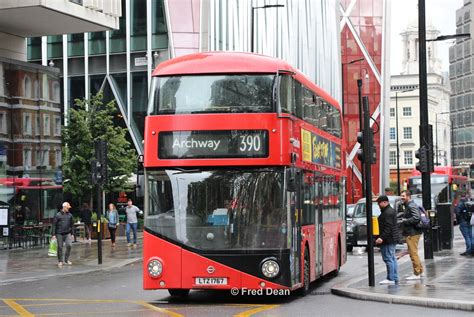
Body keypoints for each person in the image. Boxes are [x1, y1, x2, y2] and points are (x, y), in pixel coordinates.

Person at [375, 195, 402, 285]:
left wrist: (381, 238)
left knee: (388, 258)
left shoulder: (388, 212)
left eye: (379, 203)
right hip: (391, 238)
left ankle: (391, 278)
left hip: (388, 239)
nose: (378, 205)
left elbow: (388, 227)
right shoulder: (388, 211)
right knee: (392, 258)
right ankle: (393, 277)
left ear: (385, 202)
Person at [398, 190, 424, 280]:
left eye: (403, 196)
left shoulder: (411, 205)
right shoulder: (408, 205)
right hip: (412, 232)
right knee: (413, 253)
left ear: (408, 196)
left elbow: (416, 218)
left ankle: (416, 273)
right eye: (401, 195)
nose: (401, 197)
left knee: (413, 254)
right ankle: (420, 271)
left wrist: (405, 221)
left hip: (412, 233)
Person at [53, 202, 74, 267]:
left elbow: (72, 225)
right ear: (64, 207)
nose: (68, 209)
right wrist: (53, 234)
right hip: (59, 233)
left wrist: (72, 233)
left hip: (67, 233)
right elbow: (54, 225)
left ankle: (66, 259)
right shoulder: (58, 215)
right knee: (60, 247)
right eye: (68, 208)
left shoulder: (70, 215)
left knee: (69, 245)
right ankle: (60, 261)